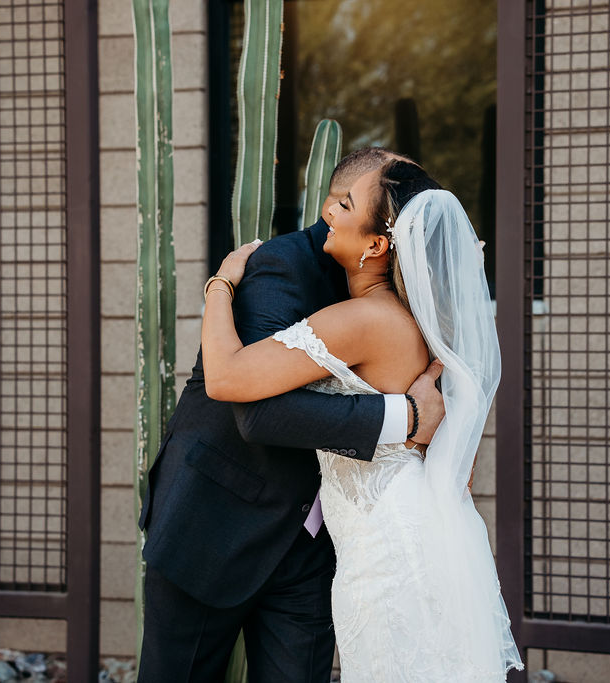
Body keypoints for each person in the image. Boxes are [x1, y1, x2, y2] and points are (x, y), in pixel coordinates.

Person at [203, 159, 523, 681]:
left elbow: (225, 378)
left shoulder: (366, 320)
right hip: (417, 526)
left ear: (376, 246)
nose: (328, 210)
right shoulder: (417, 320)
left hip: (387, 544)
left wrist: (221, 284)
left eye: (345, 205)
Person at [136, 148, 447, 682]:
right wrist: (405, 418)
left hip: (315, 544)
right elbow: (252, 412)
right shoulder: (283, 265)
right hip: (214, 525)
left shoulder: (399, 289)